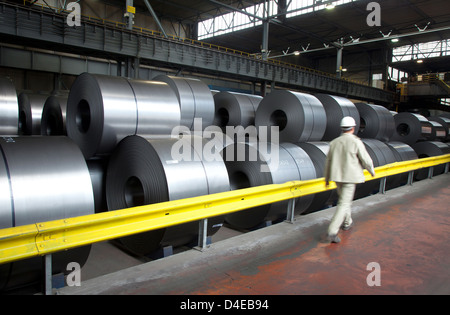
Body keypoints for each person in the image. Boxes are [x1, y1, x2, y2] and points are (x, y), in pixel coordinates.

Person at [324, 116, 375, 243]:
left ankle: (347, 222)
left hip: (337, 177)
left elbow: (328, 162)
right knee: (344, 203)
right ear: (353, 128)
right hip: (349, 178)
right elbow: (366, 159)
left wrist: (327, 178)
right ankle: (332, 231)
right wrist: (371, 171)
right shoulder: (356, 142)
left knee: (344, 201)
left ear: (342, 128)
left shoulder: (334, 142)